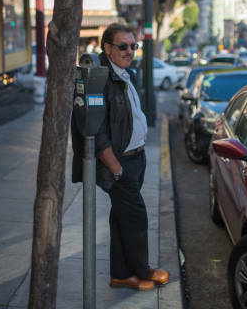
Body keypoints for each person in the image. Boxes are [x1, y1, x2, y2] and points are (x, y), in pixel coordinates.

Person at [72, 22, 169, 291]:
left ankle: (121, 275)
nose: (129, 51)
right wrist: (116, 169)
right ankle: (142, 270)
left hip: (135, 159)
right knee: (136, 217)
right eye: (123, 46)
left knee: (121, 218)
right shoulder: (101, 78)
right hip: (120, 163)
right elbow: (96, 131)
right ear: (107, 48)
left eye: (133, 46)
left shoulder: (126, 74)